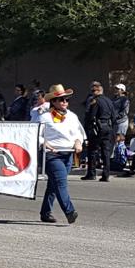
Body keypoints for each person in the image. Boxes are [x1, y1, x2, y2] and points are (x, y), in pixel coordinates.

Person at [38, 84, 83, 224]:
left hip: (68, 154)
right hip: (52, 155)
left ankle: (45, 212)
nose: (64, 102)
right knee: (61, 182)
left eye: (66, 100)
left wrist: (78, 142)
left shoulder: (72, 116)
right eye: (61, 100)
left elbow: (78, 133)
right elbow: (34, 134)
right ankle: (69, 211)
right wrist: (43, 143)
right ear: (53, 102)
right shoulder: (44, 117)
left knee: (54, 184)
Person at [82, 81, 116, 182]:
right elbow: (114, 117)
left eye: (93, 91)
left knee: (92, 150)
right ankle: (106, 174)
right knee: (106, 152)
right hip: (108, 128)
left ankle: (91, 173)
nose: (92, 93)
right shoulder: (109, 101)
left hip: (97, 128)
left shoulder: (95, 101)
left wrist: (88, 126)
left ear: (98, 91)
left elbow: (92, 116)